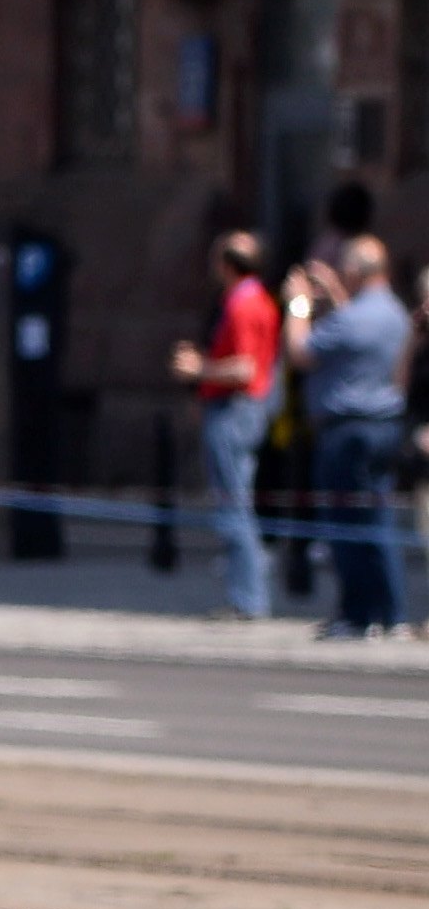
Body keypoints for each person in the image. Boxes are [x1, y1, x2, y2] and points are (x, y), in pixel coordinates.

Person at [284, 233, 408, 637]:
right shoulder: (395, 314)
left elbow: (300, 351)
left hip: (347, 431)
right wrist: (337, 293)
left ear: (354, 270)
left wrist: (297, 302)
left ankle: (357, 615)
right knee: (377, 522)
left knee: (346, 525)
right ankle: (389, 614)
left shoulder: (353, 318)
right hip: (384, 426)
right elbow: (352, 330)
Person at [167, 227, 282, 620]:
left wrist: (200, 369)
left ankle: (247, 599)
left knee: (233, 506)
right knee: (238, 502)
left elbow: (245, 368)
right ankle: (248, 595)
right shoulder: (254, 301)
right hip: (240, 407)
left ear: (227, 264)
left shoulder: (243, 304)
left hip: (235, 409)